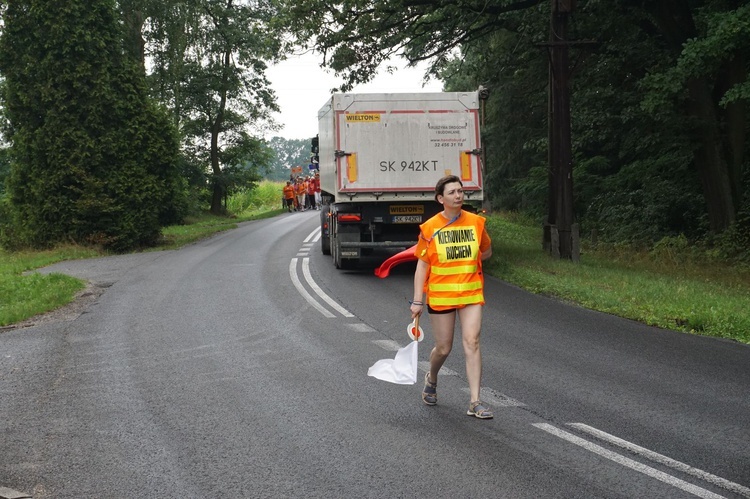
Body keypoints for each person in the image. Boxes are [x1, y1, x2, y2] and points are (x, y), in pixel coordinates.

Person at [409, 175, 494, 419]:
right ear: (440, 199)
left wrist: (469, 262)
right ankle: (432, 377)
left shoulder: (476, 222)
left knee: (472, 341)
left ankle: (475, 401)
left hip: (470, 292)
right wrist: (417, 301)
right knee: (444, 348)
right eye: (452, 192)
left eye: (460, 190)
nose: (458, 195)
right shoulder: (430, 228)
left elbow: (486, 251)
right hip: (441, 296)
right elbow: (422, 266)